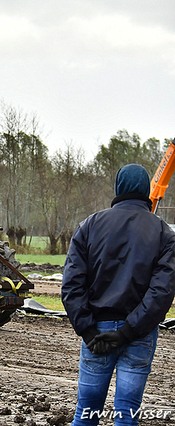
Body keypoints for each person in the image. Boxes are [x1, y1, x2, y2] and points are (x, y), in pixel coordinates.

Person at [62, 164, 175, 426]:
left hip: (97, 334)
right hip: (139, 335)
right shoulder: (163, 232)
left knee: (86, 413)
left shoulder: (89, 225)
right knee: (127, 415)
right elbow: (162, 292)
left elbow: (71, 285)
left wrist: (88, 332)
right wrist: (127, 332)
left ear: (118, 187)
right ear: (146, 190)